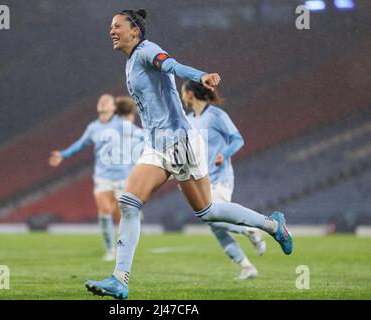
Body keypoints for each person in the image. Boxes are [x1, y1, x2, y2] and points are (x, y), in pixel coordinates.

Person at [85, 8, 293, 299]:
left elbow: (171, 65)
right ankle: (120, 279)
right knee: (130, 204)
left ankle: (273, 225)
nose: (112, 31)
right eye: (111, 26)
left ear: (135, 31)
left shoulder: (147, 51)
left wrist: (201, 75)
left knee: (208, 212)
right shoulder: (131, 62)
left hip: (177, 141)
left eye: (117, 25)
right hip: (156, 146)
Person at [182, 80, 266, 280]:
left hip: (220, 177)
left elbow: (238, 139)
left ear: (190, 94)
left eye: (183, 93)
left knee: (214, 219)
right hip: (200, 180)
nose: (182, 97)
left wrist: (224, 154)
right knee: (215, 226)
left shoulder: (217, 115)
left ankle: (249, 229)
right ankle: (247, 266)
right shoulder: (188, 120)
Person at [49, 94, 144, 261]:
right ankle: (109, 250)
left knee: (119, 215)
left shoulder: (121, 124)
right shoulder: (93, 127)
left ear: (114, 107)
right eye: (100, 100)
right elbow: (81, 144)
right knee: (104, 211)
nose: (102, 101)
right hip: (102, 176)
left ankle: (125, 243)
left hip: (123, 176)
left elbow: (141, 135)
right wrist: (63, 155)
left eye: (107, 100)